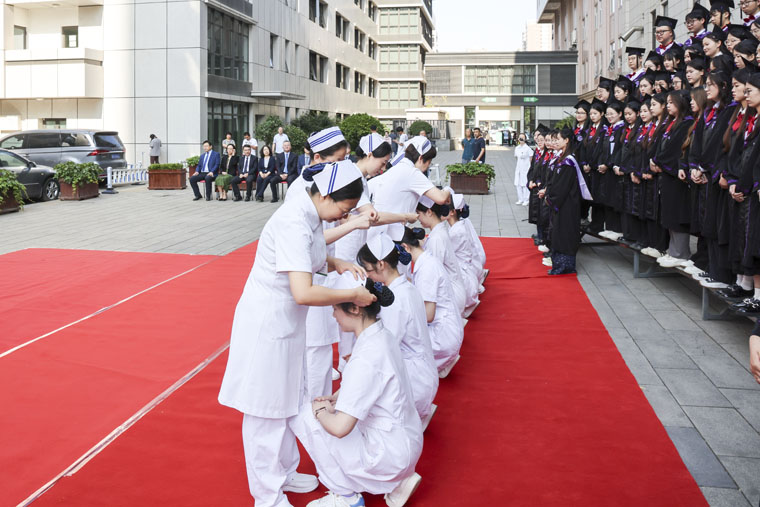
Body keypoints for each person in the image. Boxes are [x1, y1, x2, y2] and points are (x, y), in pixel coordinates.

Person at [218, 159, 374, 507]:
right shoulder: (293, 220)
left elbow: (310, 254)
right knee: (265, 411)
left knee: (289, 401)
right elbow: (303, 291)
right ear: (327, 196)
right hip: (268, 325)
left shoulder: (311, 213)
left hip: (287, 325)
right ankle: (267, 497)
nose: (343, 217)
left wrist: (336, 263)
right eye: (344, 209)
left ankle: (284, 471)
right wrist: (353, 295)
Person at [290, 273, 423, 507]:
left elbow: (340, 428)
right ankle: (396, 482)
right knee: (327, 411)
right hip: (405, 441)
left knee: (304, 416)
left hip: (389, 453)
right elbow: (368, 384)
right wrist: (334, 399)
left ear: (355, 309)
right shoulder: (382, 335)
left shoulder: (366, 357)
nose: (333, 315)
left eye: (335, 309)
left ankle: (346, 496)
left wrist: (320, 410)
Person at [357, 227, 439, 428]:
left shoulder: (395, 300)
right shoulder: (406, 287)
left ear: (381, 264)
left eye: (368, 270)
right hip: (423, 375)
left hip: (415, 384)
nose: (368, 276)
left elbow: (386, 349)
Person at [399, 226, 464, 378]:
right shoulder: (426, 260)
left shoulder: (426, 268)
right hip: (447, 328)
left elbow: (428, 315)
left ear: (405, 248)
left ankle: (438, 361)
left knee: (398, 345)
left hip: (442, 336)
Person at [653, 90, 695, 268]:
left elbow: (675, 149)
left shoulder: (687, 123)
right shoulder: (671, 123)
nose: (668, 106)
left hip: (676, 176)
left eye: (671, 102)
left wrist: (659, 161)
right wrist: (655, 159)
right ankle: (673, 250)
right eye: (667, 102)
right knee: (668, 213)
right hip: (666, 175)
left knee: (678, 214)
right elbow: (660, 145)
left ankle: (681, 252)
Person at [542, 127, 593, 274]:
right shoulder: (562, 158)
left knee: (565, 233)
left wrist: (551, 199)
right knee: (558, 232)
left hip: (566, 204)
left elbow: (562, 186)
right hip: (560, 203)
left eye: (558, 139)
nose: (555, 142)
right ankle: (558, 264)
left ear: (566, 140)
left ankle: (565, 266)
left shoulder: (569, 162)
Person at [514, 133, 533, 206]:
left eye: (522, 138)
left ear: (525, 139)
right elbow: (516, 157)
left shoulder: (528, 149)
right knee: (518, 184)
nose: (521, 139)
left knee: (525, 184)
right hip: (518, 168)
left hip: (526, 169)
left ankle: (526, 199)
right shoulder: (517, 148)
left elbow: (531, 158)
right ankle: (520, 199)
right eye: (520, 138)